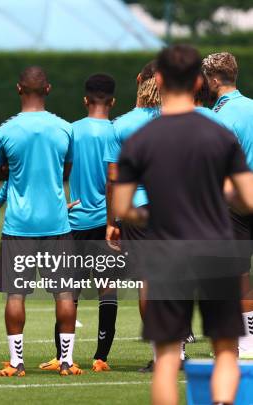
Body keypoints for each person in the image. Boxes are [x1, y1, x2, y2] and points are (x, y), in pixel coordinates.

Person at [113, 44, 253, 405]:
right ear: (196, 81)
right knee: (225, 350)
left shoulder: (139, 139)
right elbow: (247, 198)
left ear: (158, 79)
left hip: (166, 249)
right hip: (216, 246)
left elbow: (124, 208)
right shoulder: (219, 130)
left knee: (167, 358)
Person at [0, 66, 81, 377]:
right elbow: (66, 171)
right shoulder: (66, 129)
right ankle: (67, 361)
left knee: (16, 295)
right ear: (49, 89)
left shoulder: (4, 131)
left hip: (18, 226)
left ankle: (16, 363)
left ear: (19, 89)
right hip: (57, 223)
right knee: (65, 293)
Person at [103, 60, 164, 372]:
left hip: (138, 211)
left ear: (139, 80)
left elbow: (114, 179)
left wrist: (112, 222)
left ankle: (160, 357)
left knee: (147, 283)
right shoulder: (179, 119)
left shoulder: (122, 125)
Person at [65, 73, 118, 372]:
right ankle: (101, 357)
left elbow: (60, 170)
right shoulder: (117, 132)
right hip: (107, 220)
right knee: (106, 288)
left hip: (76, 220)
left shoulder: (72, 131)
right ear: (112, 101)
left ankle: (65, 357)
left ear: (85, 100)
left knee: (68, 291)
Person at [203, 52, 253, 360]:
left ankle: (245, 342)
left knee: (234, 273)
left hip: (234, 201)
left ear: (214, 80)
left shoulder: (219, 116)